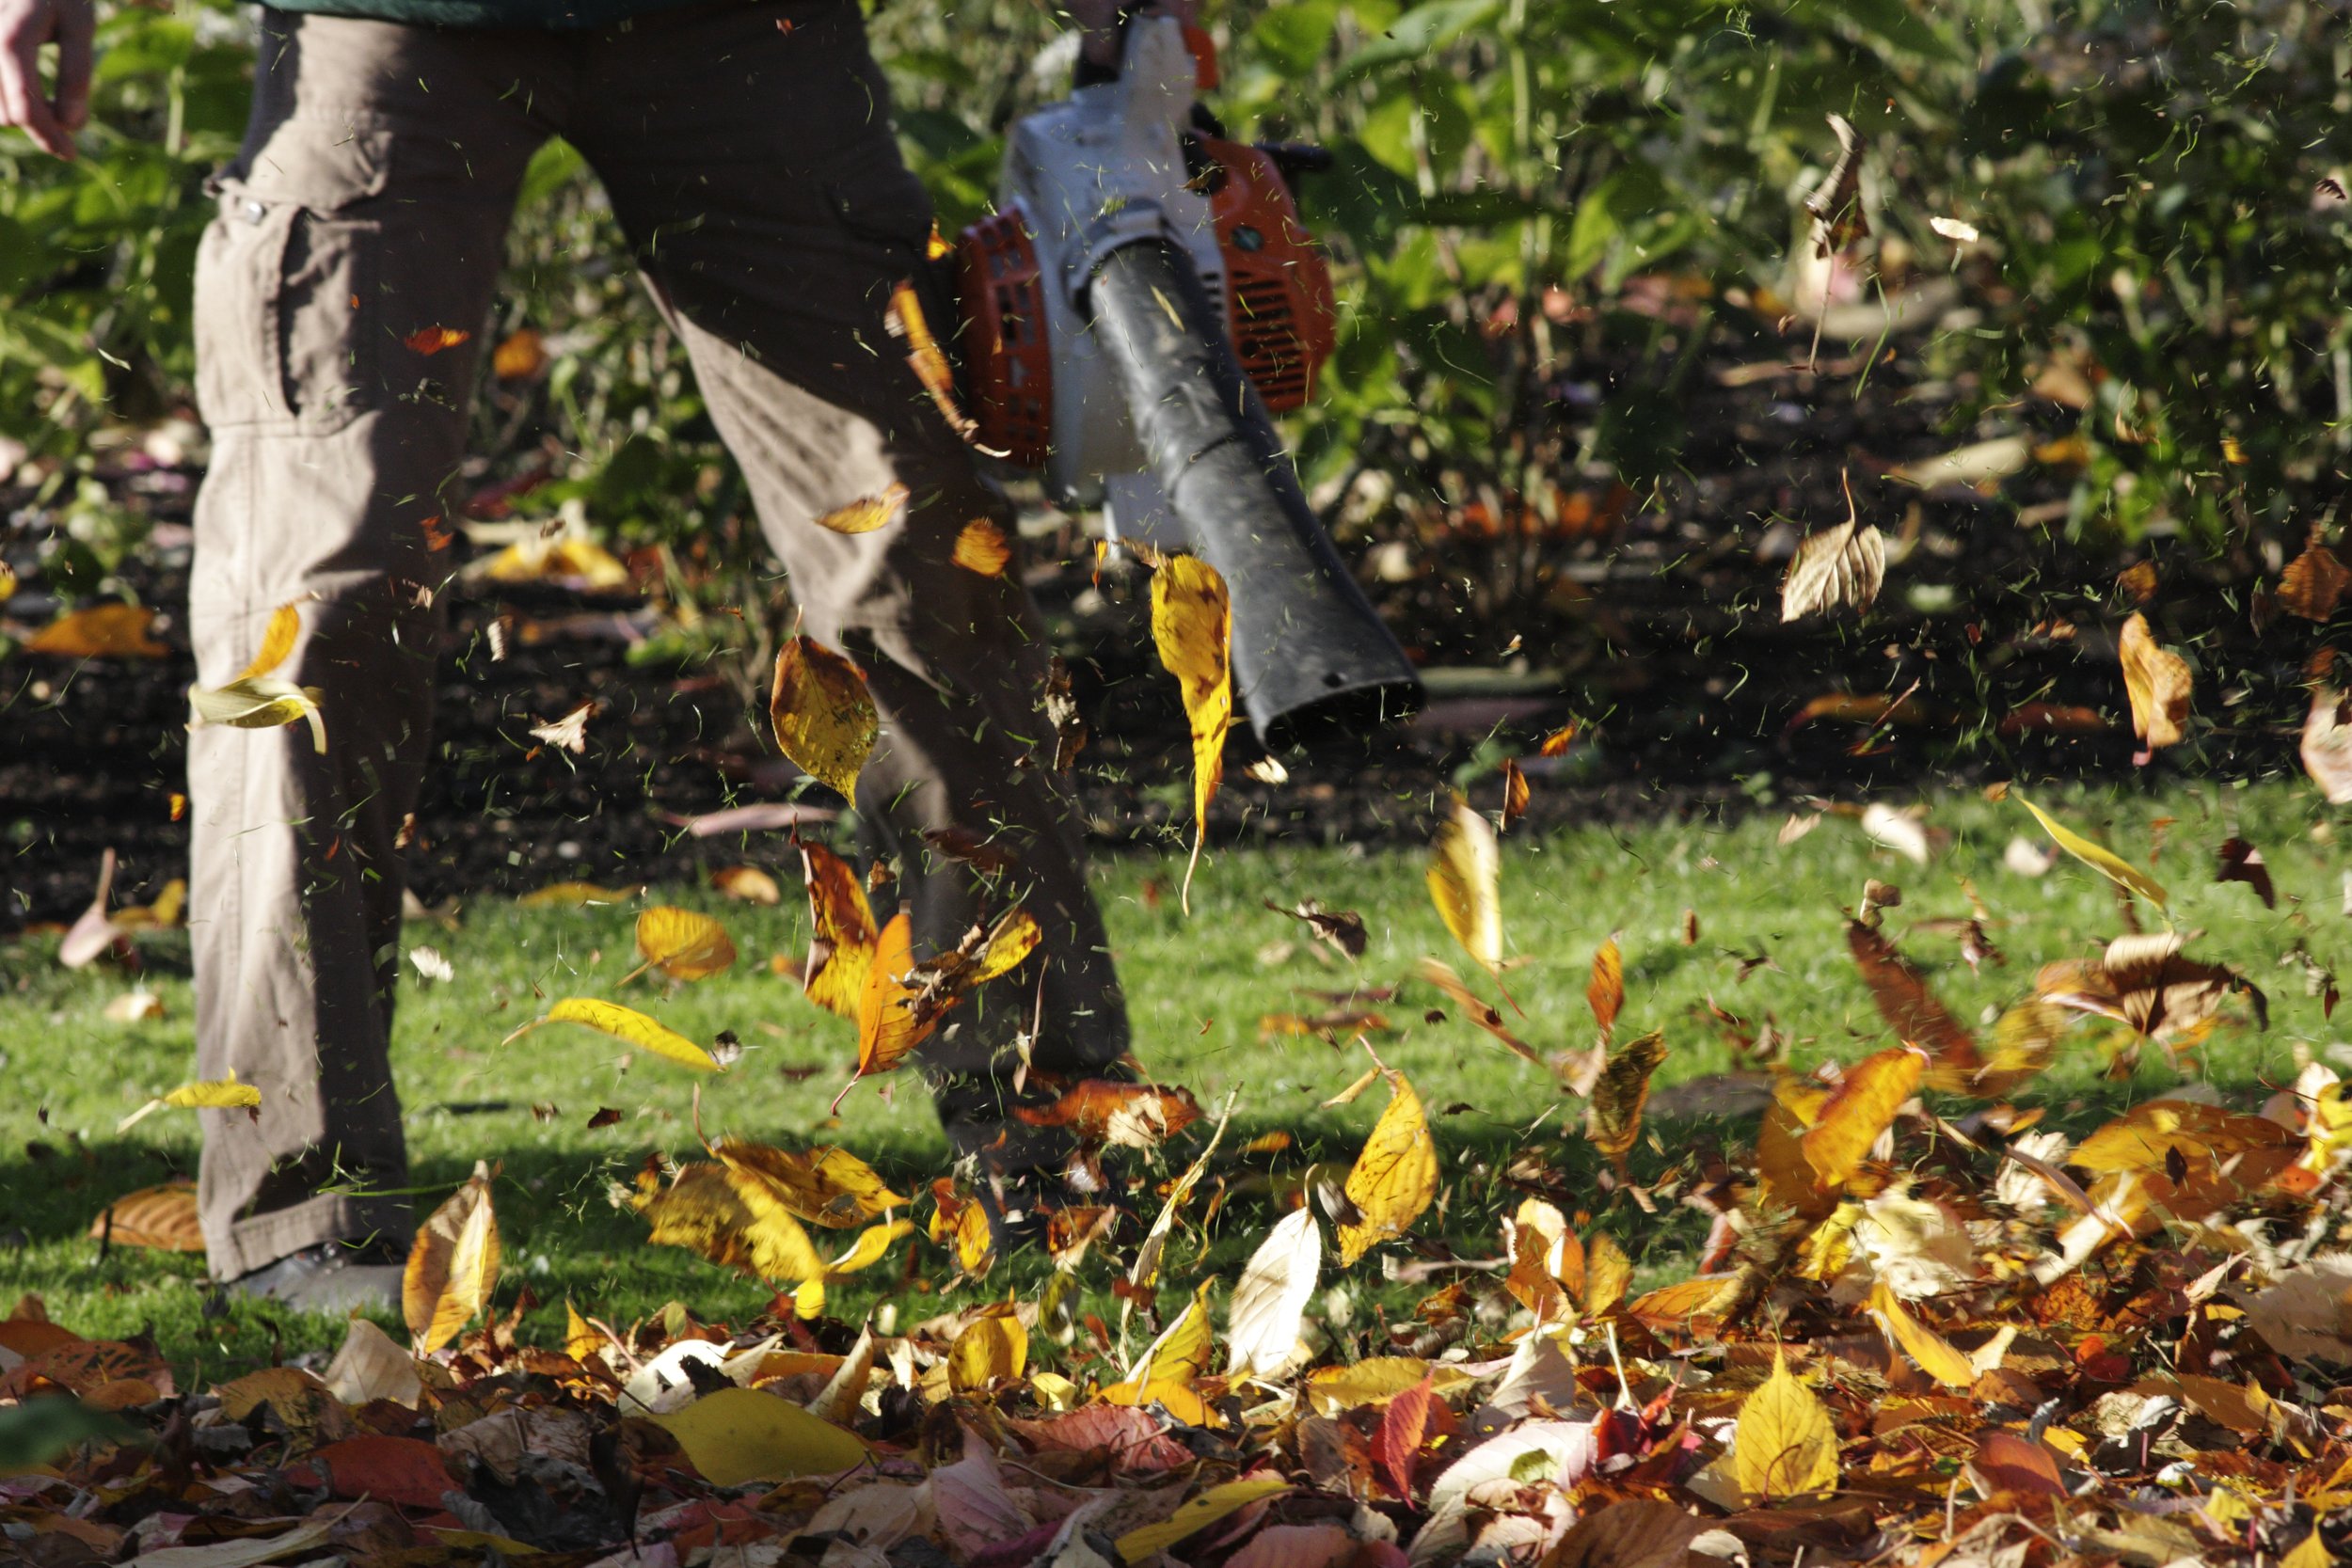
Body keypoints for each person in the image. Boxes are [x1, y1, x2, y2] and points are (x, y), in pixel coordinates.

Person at [1, 0, 1170, 1310]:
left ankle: (1062, 1156)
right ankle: (304, 1218)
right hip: (386, 22)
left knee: (919, 562)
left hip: (744, 28)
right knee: (316, 604)